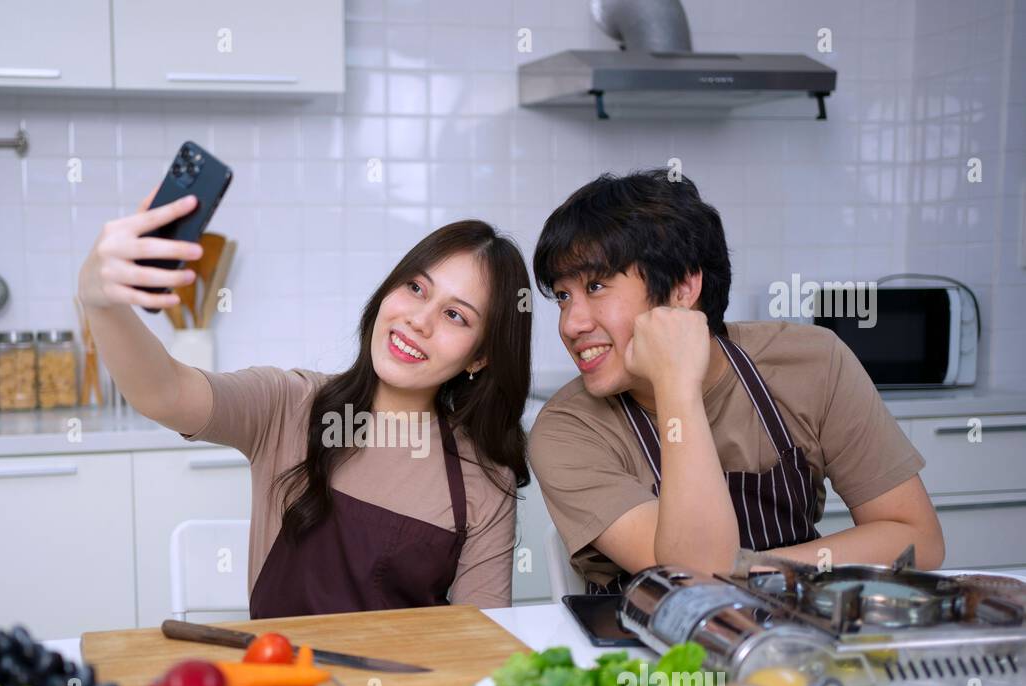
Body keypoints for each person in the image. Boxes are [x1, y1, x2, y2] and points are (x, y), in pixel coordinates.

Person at [79, 190, 532, 615]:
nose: (418, 320)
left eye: (454, 315)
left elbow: (480, 644)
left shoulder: (484, 477)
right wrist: (99, 299)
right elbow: (165, 393)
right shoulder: (287, 406)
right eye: (415, 288)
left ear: (480, 355)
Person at [528, 169, 944, 593]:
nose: (571, 324)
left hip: (802, 636)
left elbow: (918, 540)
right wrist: (676, 384)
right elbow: (695, 579)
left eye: (596, 286)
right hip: (654, 654)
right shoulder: (567, 430)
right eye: (563, 296)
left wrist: (751, 572)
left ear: (682, 287)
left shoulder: (812, 363)